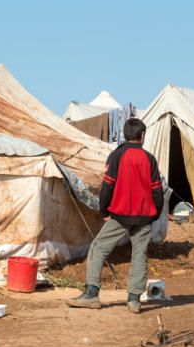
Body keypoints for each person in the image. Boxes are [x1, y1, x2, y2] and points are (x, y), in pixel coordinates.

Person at [68, 118, 163, 313]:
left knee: (98, 248)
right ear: (142, 135)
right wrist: (156, 213)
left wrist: (104, 211)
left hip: (120, 215)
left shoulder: (116, 156)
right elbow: (157, 191)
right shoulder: (149, 158)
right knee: (139, 255)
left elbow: (107, 186)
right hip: (144, 215)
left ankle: (92, 293)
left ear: (124, 134)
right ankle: (134, 300)